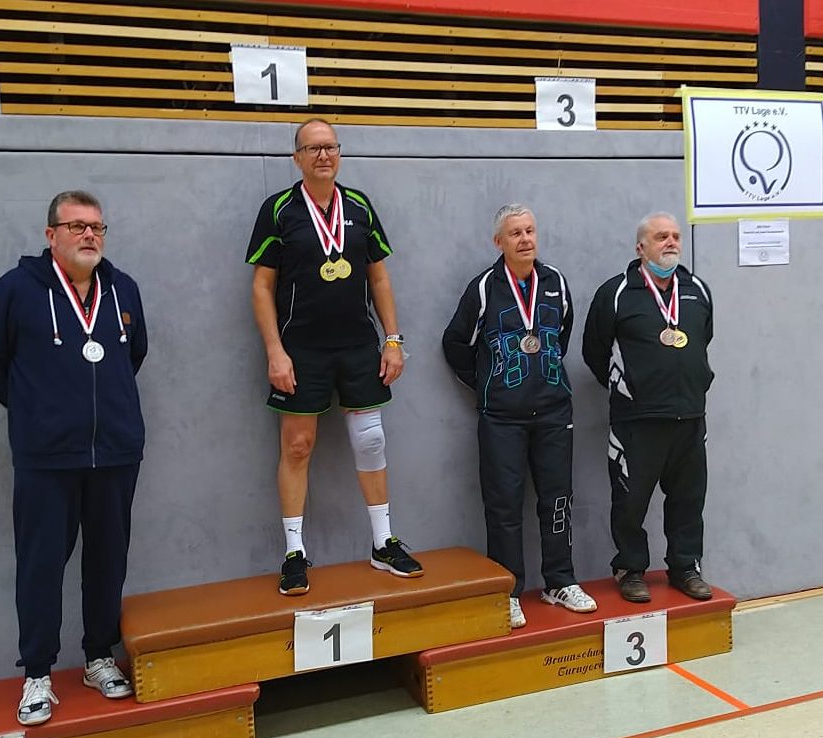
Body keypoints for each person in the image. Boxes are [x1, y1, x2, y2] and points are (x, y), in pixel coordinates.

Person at [0, 190, 147, 725]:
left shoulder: (123, 289)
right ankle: (37, 674)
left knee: (108, 559)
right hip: (46, 456)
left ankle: (98, 656)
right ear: (51, 235)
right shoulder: (17, 289)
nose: (89, 235)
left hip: (115, 451)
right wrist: (35, 411)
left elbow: (134, 354)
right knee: (41, 564)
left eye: (96, 226)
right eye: (76, 226)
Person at [246, 118, 423, 596]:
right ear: (297, 158)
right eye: (313, 148)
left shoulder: (360, 205)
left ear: (339, 153)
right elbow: (261, 287)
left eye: (330, 147)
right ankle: (294, 552)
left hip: (359, 346)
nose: (323, 155)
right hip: (300, 349)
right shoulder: (279, 209)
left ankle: (383, 543)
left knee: (371, 441)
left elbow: (379, 277)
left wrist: (393, 339)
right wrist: (275, 351)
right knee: (298, 446)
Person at [442, 203, 596, 629]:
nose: (525, 239)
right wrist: (487, 383)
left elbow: (561, 335)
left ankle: (560, 581)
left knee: (558, 498)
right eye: (515, 233)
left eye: (530, 230)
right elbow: (455, 343)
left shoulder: (556, 282)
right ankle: (508, 591)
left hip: (553, 412)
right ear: (499, 242)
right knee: (504, 505)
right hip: (502, 418)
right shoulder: (483, 288)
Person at [582, 212, 714, 604]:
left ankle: (685, 567)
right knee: (630, 501)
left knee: (689, 499)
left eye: (675, 236)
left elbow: (703, 340)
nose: (671, 242)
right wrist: (628, 389)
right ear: (641, 247)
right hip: (636, 421)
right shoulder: (616, 293)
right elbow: (594, 351)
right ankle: (630, 568)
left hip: (690, 416)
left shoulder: (697, 290)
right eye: (661, 237)